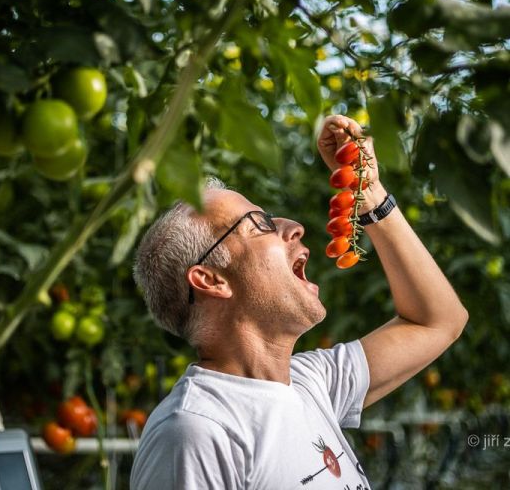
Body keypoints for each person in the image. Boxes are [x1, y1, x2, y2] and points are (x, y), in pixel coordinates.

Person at [130, 114, 469, 490]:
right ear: (211, 280)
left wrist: (369, 194)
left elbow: (438, 320)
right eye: (259, 224)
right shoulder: (195, 432)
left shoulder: (311, 383)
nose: (293, 227)